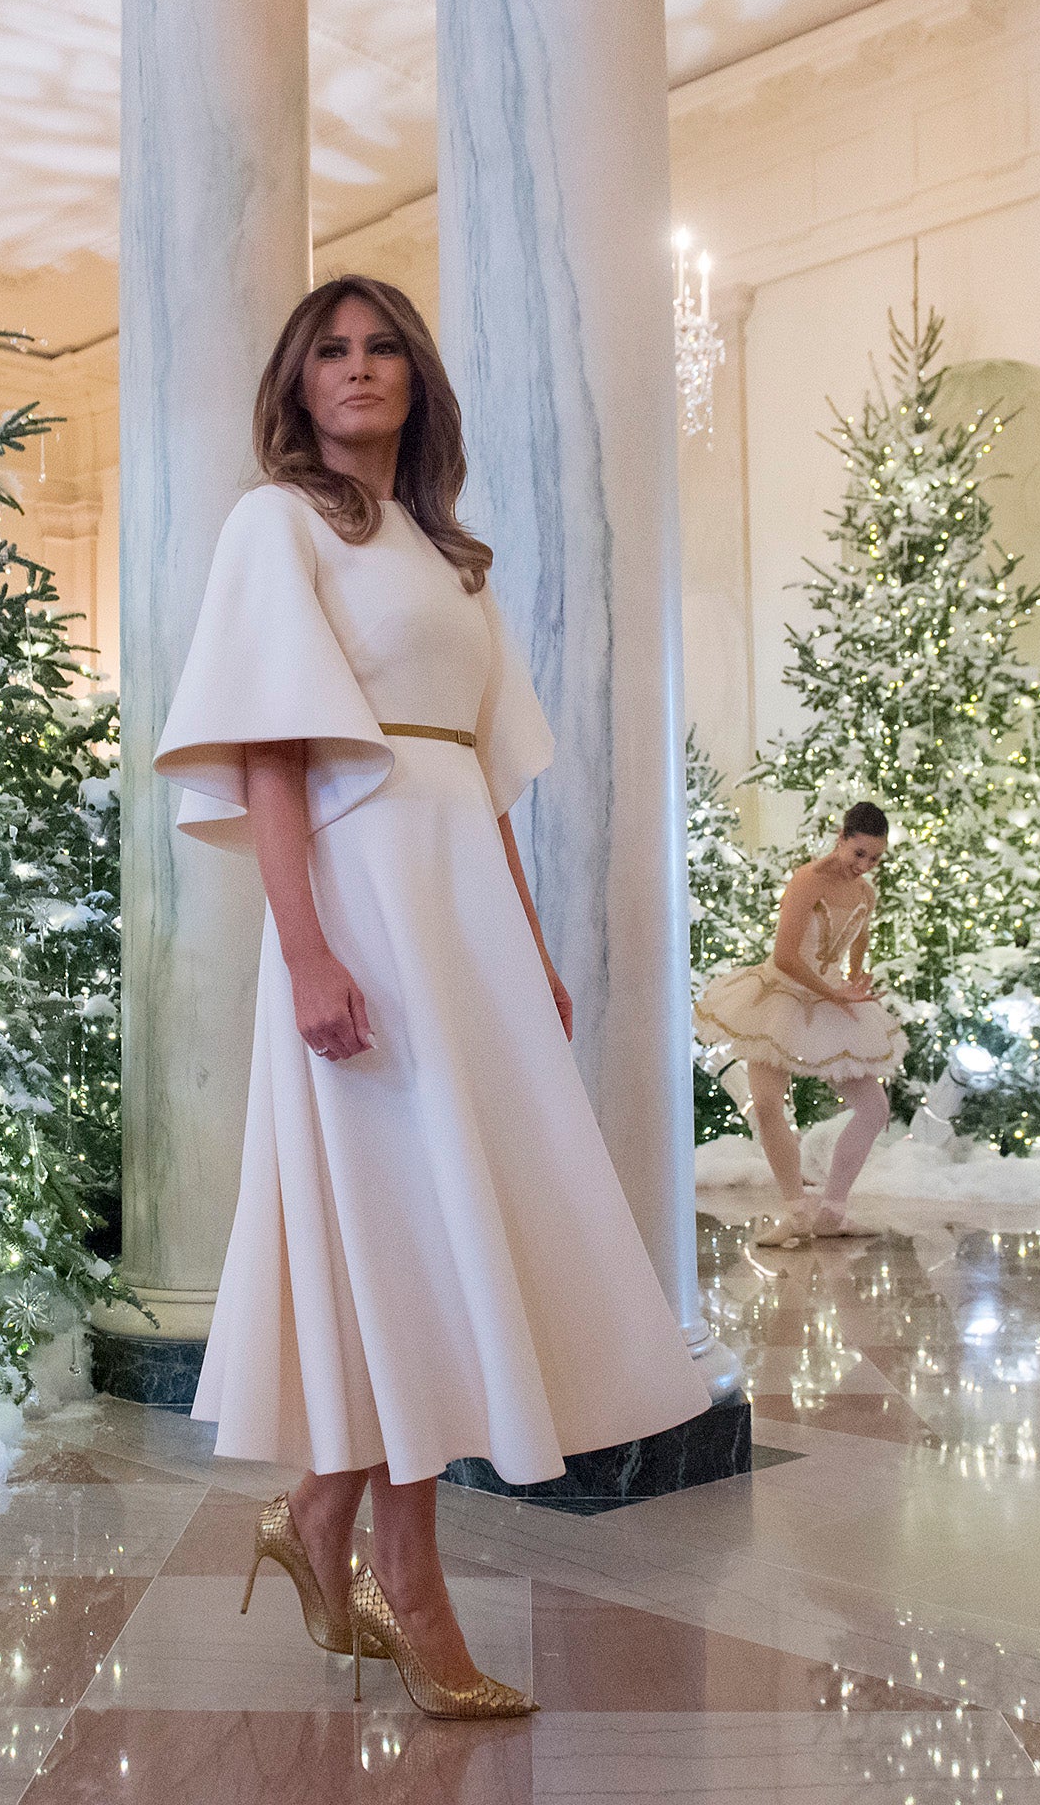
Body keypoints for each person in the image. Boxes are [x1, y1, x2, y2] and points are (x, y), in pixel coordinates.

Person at [152, 274, 710, 1720]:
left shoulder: (449, 556)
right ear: (295, 381)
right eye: (328, 350)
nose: (355, 368)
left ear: (415, 378)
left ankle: (320, 1516)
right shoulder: (275, 523)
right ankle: (407, 1583)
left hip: (459, 916)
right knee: (397, 1234)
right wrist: (308, 949)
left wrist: (525, 950)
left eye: (380, 346)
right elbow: (269, 753)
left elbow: (484, 780)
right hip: (359, 907)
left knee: (452, 1231)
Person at [693, 804, 907, 1246]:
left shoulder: (866, 894)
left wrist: (856, 978)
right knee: (768, 1104)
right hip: (780, 997)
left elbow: (858, 940)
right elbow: (786, 957)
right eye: (860, 853)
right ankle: (795, 1211)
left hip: (831, 999)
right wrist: (835, 993)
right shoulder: (807, 881)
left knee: (874, 1109)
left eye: (875, 859)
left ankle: (832, 1210)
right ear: (841, 837)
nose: (864, 866)